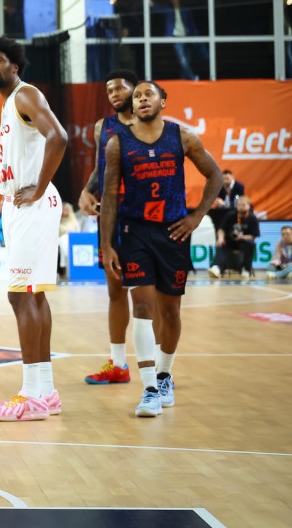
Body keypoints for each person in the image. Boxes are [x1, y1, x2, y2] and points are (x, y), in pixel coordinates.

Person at [100, 80, 224, 418]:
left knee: (170, 312)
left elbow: (215, 176)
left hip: (173, 232)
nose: (142, 99)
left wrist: (196, 216)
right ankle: (150, 389)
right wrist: (106, 244)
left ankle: (165, 374)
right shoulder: (117, 143)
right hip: (135, 232)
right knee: (142, 307)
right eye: (137, 96)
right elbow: (109, 196)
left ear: (163, 102)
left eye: (148, 94)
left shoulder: (182, 137)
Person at [0, 36, 69, 421]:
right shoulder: (9, 103)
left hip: (31, 202)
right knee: (32, 295)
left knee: (20, 296)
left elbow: (59, 137)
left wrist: (39, 187)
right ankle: (45, 391)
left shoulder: (25, 95)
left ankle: (31, 395)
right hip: (21, 204)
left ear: (14, 66)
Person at [77, 70, 143, 386]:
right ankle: (118, 364)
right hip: (111, 217)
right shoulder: (102, 127)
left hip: (144, 217)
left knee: (148, 295)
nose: (114, 94)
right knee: (115, 291)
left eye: (120, 88)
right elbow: (100, 168)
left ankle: (160, 370)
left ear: (136, 90)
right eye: (109, 90)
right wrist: (87, 190)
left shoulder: (149, 123)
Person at [211, 196, 260, 280]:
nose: (241, 207)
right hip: (230, 241)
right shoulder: (230, 215)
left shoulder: (252, 218)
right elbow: (221, 229)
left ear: (248, 206)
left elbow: (253, 236)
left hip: (243, 241)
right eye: (239, 205)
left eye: (243, 205)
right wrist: (220, 238)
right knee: (221, 243)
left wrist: (242, 237)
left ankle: (246, 269)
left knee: (251, 244)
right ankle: (217, 268)